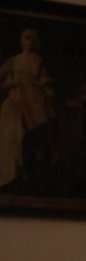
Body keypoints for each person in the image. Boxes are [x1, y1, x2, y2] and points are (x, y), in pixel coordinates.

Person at [0, 28, 55, 190]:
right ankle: (14, 174)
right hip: (16, 103)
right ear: (21, 41)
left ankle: (30, 177)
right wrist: (11, 83)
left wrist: (46, 85)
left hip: (35, 104)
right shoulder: (13, 61)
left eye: (32, 38)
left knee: (34, 141)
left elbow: (44, 80)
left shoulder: (38, 60)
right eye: (26, 38)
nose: (29, 42)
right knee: (14, 139)